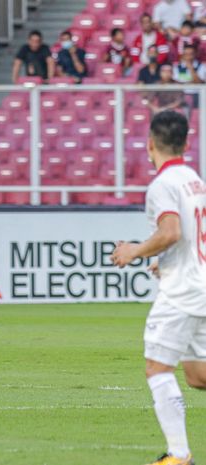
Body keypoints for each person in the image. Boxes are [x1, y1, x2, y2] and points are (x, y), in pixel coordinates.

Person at [112, 110, 205, 465]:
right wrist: (161, 259)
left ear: (150, 143)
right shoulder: (193, 179)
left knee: (157, 368)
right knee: (197, 376)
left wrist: (134, 251)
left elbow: (171, 232)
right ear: (186, 142)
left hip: (182, 291)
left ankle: (179, 457)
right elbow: (188, 236)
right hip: (199, 283)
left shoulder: (163, 184)